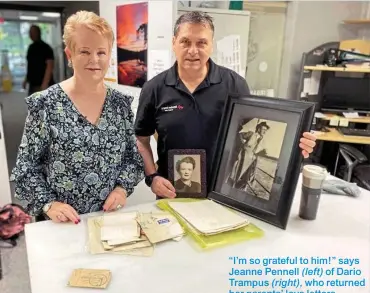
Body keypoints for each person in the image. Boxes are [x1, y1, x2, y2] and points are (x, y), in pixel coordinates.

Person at [134, 11, 317, 199]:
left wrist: (295, 143)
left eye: (201, 43)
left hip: (224, 194)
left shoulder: (235, 85)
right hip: (172, 193)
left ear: (211, 45)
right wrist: (152, 177)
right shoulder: (153, 88)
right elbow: (142, 140)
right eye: (185, 42)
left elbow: (255, 130)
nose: (193, 50)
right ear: (174, 43)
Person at [11, 11, 144, 223]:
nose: (94, 60)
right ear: (69, 54)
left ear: (109, 55)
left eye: (101, 52)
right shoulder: (45, 104)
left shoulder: (121, 105)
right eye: (84, 51)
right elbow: (25, 170)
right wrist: (49, 204)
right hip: (60, 224)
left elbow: (133, 160)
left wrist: (121, 189)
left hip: (106, 221)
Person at [228, 121, 270, 189]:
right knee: (237, 174)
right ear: (259, 129)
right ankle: (231, 187)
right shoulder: (251, 134)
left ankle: (237, 188)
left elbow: (259, 151)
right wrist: (242, 145)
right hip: (243, 157)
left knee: (245, 177)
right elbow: (240, 135)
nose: (265, 131)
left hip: (250, 161)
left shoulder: (262, 140)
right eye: (263, 129)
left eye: (266, 130)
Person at [22, 25, 55, 95]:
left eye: (32, 32)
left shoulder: (46, 48)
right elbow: (30, 66)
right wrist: (26, 79)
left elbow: (50, 66)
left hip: (43, 84)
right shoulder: (31, 48)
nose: (30, 34)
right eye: (29, 32)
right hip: (33, 84)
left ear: (38, 33)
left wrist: (45, 84)